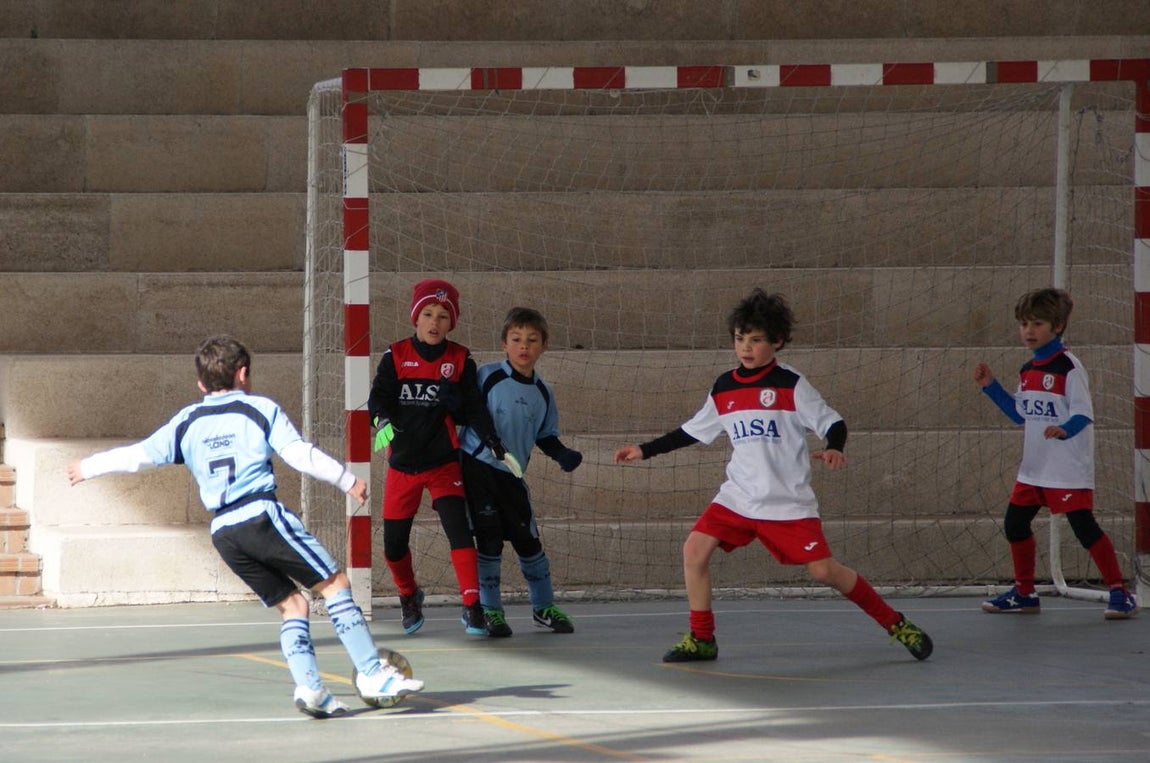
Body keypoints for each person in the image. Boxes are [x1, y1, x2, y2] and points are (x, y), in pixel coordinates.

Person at [66, 335, 424, 718]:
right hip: (261, 515)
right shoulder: (260, 409)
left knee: (293, 604)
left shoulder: (187, 421)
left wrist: (88, 467)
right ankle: (373, 674)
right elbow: (297, 453)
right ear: (243, 374)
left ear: (201, 385)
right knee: (334, 585)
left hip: (224, 533)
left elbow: (138, 457)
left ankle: (312, 689)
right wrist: (345, 479)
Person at [614, 289, 933, 663]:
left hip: (786, 502)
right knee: (694, 550)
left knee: (823, 571)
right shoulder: (724, 387)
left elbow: (833, 422)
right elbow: (691, 431)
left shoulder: (791, 384)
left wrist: (834, 447)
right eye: (739, 338)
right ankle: (702, 639)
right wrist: (644, 449)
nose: (746, 347)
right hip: (738, 496)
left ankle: (896, 623)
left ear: (777, 341)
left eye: (756, 340)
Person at [973, 287, 1138, 619]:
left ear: (1058, 326)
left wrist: (1066, 429)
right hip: (1034, 467)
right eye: (1024, 324)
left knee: (1083, 527)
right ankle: (1025, 593)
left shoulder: (1069, 368)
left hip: (1066, 466)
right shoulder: (1027, 370)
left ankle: (1120, 592)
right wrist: (991, 387)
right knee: (1015, 524)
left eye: (1037, 323)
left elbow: (1083, 413)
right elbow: (1019, 414)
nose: (1028, 331)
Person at [367, 278, 514, 637]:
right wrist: (381, 420)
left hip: (443, 463)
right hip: (402, 464)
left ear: (452, 322)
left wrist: (494, 441)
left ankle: (472, 606)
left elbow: (473, 410)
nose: (435, 322)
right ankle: (408, 595)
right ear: (415, 319)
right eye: (428, 314)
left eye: (443, 316)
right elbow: (378, 399)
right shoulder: (395, 355)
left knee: (459, 531)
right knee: (393, 545)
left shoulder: (460, 359)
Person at [458, 307, 582, 637]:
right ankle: (490, 611)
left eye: (532, 340)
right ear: (504, 344)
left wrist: (562, 454)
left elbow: (545, 435)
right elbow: (468, 414)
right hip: (478, 469)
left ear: (544, 346)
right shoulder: (487, 375)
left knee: (529, 542)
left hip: (512, 476)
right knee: (489, 541)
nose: (523, 346)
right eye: (516, 339)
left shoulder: (543, 392)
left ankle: (543, 606)